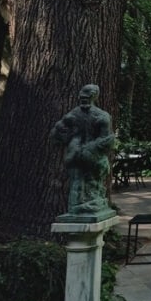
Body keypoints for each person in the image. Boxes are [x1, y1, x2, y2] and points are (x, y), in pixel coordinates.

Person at [50, 84, 115, 216]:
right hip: (84, 157)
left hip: (88, 156)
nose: (83, 98)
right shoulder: (98, 116)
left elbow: (107, 140)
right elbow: (56, 135)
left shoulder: (98, 116)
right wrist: (71, 141)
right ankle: (78, 207)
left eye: (86, 96)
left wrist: (77, 144)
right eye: (82, 96)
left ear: (93, 97)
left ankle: (83, 205)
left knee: (83, 182)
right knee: (78, 181)